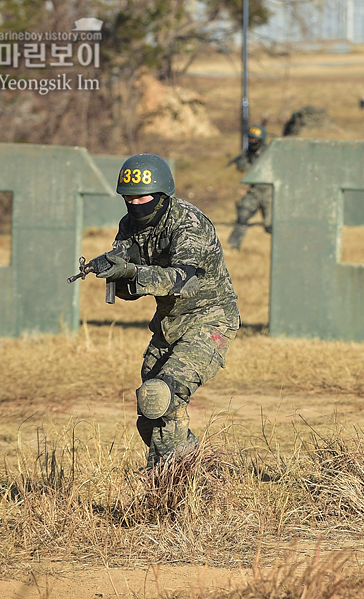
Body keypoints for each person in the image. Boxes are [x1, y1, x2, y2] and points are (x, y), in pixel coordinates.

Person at [87, 153, 240, 468]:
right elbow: (130, 291)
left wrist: (131, 273)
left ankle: (166, 486)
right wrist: (114, 272)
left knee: (161, 395)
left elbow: (182, 281)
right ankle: (202, 471)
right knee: (149, 416)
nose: (136, 204)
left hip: (211, 321)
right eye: (129, 198)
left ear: (161, 194)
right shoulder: (129, 226)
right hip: (169, 325)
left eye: (142, 197)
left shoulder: (189, 224)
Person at [227, 125, 273, 250]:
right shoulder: (248, 153)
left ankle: (283, 248)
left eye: (255, 140)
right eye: (250, 139)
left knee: (271, 225)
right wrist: (242, 164)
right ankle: (234, 245)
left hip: (270, 191)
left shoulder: (270, 152)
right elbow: (247, 170)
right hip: (255, 190)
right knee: (243, 214)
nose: (252, 142)